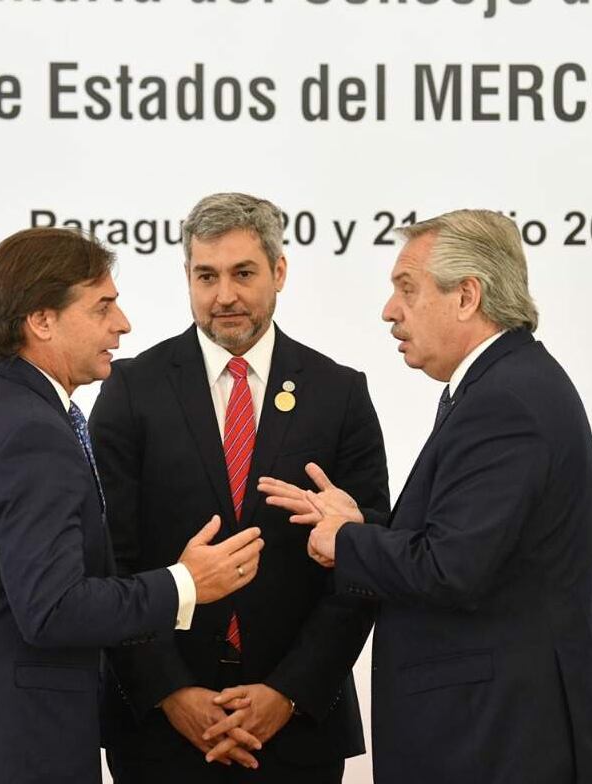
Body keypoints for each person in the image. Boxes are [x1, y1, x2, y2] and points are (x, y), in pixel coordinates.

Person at [260, 210, 592, 782]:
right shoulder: (501, 385)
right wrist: (364, 528)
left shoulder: (505, 400)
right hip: (493, 730)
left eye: (407, 289)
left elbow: (453, 569)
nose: (390, 310)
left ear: (467, 297)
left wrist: (346, 542)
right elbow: (467, 543)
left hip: (501, 738)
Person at [0, 228, 264, 784]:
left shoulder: (3, 408)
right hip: (13, 749)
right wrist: (186, 582)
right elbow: (53, 609)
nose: (123, 324)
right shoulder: (30, 432)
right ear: (41, 320)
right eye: (102, 307)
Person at [90, 193, 389, 783]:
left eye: (243, 274)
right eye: (207, 276)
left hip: (297, 729)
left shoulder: (339, 393)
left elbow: (366, 559)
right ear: (187, 276)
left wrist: (289, 691)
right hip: (159, 732)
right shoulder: (130, 389)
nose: (224, 295)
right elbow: (107, 559)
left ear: (279, 271)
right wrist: (171, 691)